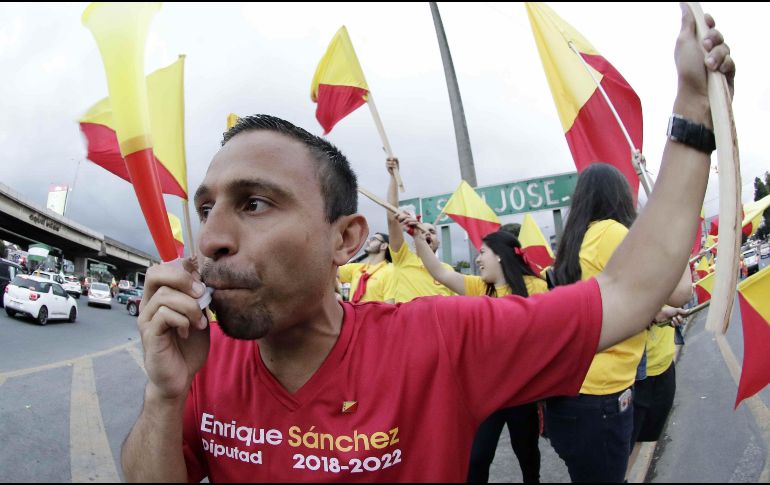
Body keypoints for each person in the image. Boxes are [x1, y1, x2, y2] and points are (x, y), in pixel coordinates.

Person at [121, 9, 734, 482]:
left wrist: (691, 112)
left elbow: (626, 292)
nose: (214, 238)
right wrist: (163, 394)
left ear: (346, 239)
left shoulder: (438, 343)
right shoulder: (202, 360)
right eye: (207, 209)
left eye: (254, 204)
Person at [544, 163, 694, 483]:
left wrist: (655, 311)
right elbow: (681, 291)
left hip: (570, 394)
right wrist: (677, 230)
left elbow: (606, 306)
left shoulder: (575, 243)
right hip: (602, 397)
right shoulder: (613, 232)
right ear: (619, 197)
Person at [401, 225, 546, 483]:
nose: (477, 259)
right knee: (476, 458)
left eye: (482, 252)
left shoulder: (536, 287)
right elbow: (441, 272)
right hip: (487, 393)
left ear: (500, 255)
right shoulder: (481, 288)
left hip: (523, 392)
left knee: (527, 456)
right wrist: (417, 238)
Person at [384, 157, 455, 303]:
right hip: (408, 324)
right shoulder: (403, 258)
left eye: (432, 232)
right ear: (414, 243)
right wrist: (393, 177)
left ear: (438, 243)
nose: (427, 233)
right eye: (421, 231)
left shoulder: (447, 269)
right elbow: (392, 217)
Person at [337, 232, 393, 302]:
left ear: (384, 246)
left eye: (373, 239)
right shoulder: (357, 268)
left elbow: (390, 305)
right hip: (353, 312)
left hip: (374, 313)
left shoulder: (390, 271)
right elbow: (331, 271)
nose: (368, 241)